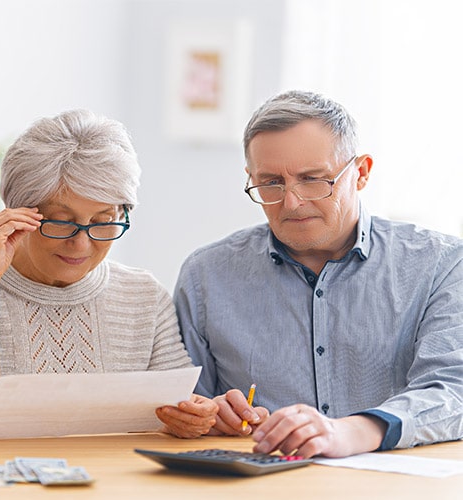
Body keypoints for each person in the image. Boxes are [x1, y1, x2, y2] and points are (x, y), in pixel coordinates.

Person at [174, 90, 463, 458]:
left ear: (361, 173)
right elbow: (188, 402)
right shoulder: (205, 276)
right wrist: (205, 415)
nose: (292, 202)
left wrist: (351, 432)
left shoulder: (442, 264)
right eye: (271, 183)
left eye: (313, 179)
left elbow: (454, 391)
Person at [0, 109, 218, 437]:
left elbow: (176, 409)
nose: (81, 244)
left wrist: (193, 418)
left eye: (102, 222)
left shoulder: (143, 294)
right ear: (16, 213)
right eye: (61, 221)